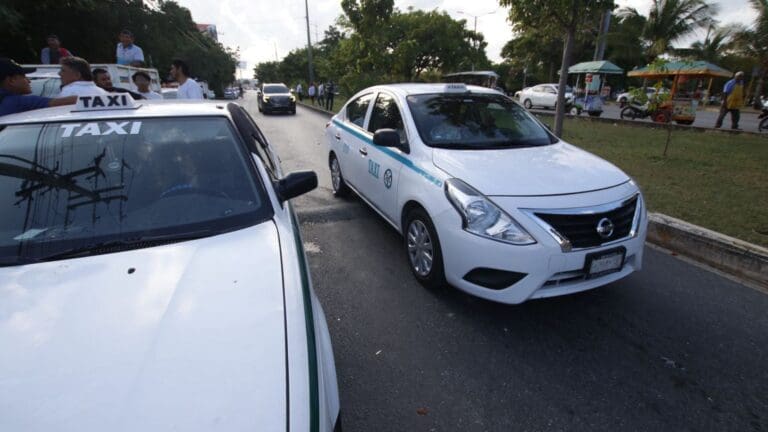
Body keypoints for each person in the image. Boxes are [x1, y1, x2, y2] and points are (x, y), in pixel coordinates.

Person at [0, 58, 76, 116]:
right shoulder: (19, 102)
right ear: (11, 80)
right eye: (24, 77)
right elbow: (70, 101)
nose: (29, 81)